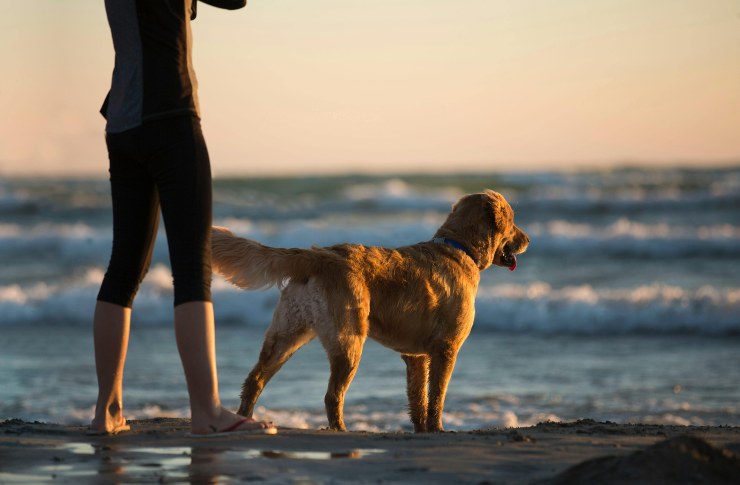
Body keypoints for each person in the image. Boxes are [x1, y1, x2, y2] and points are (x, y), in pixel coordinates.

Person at [90, 0, 275, 436]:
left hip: (122, 121)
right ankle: (208, 413)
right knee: (192, 270)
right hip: (170, 115)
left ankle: (107, 412)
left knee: (124, 268)